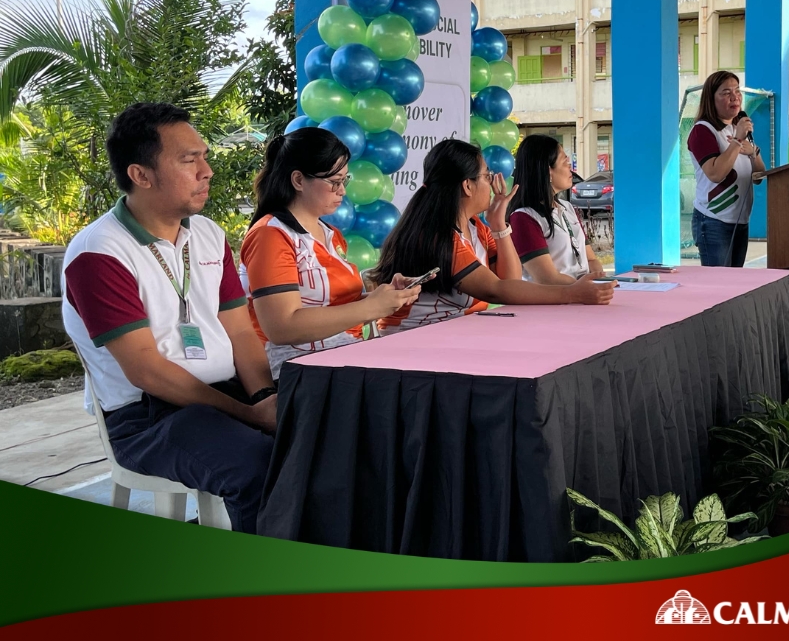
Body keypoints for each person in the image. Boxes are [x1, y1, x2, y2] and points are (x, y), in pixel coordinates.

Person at [62, 103, 276, 534]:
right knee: (259, 468)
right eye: (189, 160)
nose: (207, 171)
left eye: (204, 156)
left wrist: (264, 398)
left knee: (329, 440)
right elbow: (147, 371)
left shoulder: (208, 234)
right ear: (141, 175)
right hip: (149, 416)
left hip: (225, 394)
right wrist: (251, 415)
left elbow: (239, 331)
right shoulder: (99, 253)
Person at [371, 139, 615, 334]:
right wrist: (573, 294)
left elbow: (509, 279)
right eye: (487, 176)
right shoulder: (438, 235)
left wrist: (499, 225)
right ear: (467, 186)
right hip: (416, 339)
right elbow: (496, 290)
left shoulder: (476, 226)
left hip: (456, 331)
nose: (492, 183)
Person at [239, 127, 419, 378]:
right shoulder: (271, 235)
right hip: (294, 369)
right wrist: (372, 308)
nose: (342, 191)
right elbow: (281, 327)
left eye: (344, 180)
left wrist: (385, 297)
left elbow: (330, 305)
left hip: (339, 357)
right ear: (299, 180)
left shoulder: (331, 234)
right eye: (334, 182)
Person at [687, 71, 766, 267]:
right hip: (714, 221)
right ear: (711, 99)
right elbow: (715, 173)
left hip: (740, 221)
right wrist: (738, 140)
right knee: (719, 286)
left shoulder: (739, 128)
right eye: (726, 92)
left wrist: (752, 153)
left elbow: (758, 177)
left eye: (737, 91)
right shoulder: (702, 131)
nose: (735, 97)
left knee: (735, 285)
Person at [507, 134, 604, 283]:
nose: (570, 170)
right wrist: (585, 286)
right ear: (548, 170)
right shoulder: (523, 218)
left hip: (582, 296)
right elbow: (547, 279)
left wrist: (597, 278)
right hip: (553, 302)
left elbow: (591, 259)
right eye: (566, 163)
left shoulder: (567, 208)